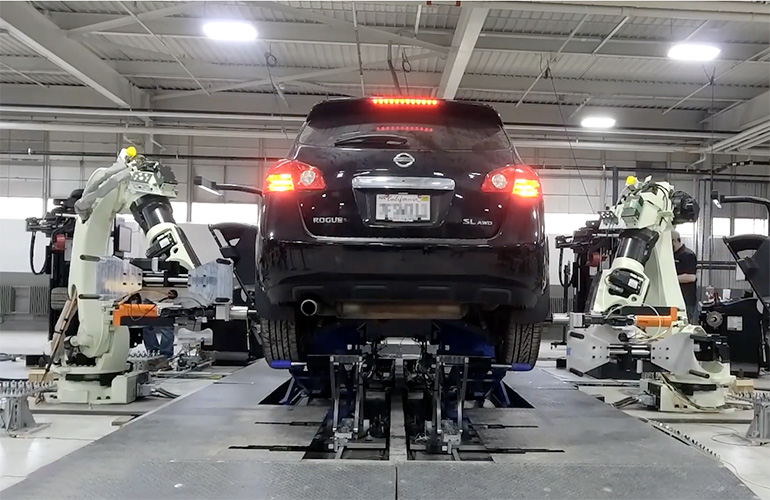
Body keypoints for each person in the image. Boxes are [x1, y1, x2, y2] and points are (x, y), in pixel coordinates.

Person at [671, 230, 698, 323]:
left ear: (675, 241)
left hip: (686, 300)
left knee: (684, 324)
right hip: (675, 299)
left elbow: (691, 277)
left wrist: (669, 279)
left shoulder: (688, 255)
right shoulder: (672, 255)